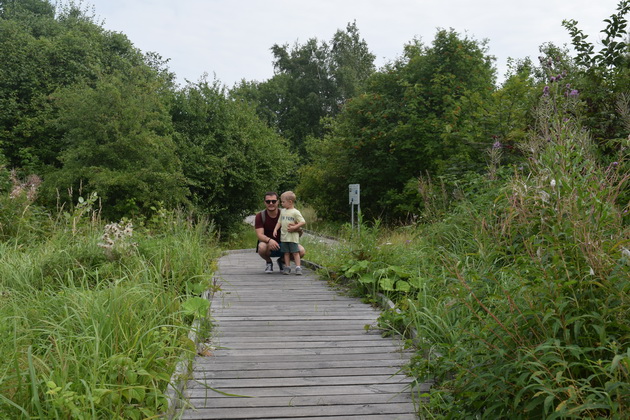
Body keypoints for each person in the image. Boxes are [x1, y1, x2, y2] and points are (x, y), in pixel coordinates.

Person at [254, 191, 305, 273]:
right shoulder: (260, 216)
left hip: (286, 242)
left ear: (278, 202)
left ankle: (282, 261)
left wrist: (296, 229)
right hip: (269, 245)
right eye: (268, 201)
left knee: (301, 251)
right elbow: (259, 235)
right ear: (264, 203)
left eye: (273, 201)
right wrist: (269, 240)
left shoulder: (287, 213)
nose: (271, 203)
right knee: (261, 247)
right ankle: (269, 262)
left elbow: (300, 232)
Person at [273, 191, 306, 275]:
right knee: (286, 253)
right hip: (284, 237)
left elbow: (302, 222)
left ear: (290, 202)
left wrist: (295, 227)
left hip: (293, 237)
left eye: (283, 202)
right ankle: (287, 267)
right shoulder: (283, 211)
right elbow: (279, 222)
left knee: (295, 252)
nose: (282, 203)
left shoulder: (295, 212)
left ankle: (298, 267)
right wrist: (275, 229)